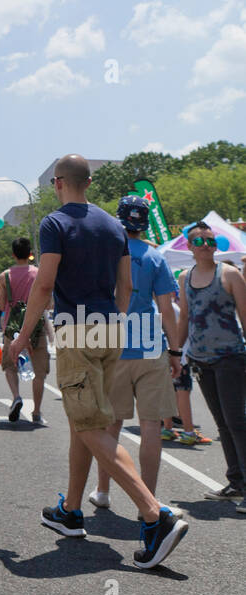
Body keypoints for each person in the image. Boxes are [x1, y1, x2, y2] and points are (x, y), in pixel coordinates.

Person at [8, 154, 188, 570]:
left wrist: (21, 336)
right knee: (82, 419)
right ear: (87, 183)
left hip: (76, 328)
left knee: (89, 423)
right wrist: (115, 320)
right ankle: (71, 510)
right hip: (112, 328)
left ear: (58, 183)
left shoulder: (54, 223)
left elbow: (46, 283)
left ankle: (153, 513)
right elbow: (124, 286)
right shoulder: (112, 225)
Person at [89, 195, 183, 514]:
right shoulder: (156, 258)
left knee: (110, 426)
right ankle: (149, 500)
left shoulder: (107, 254)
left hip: (114, 345)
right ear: (144, 224)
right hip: (149, 344)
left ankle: (103, 491)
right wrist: (176, 350)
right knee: (151, 425)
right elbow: (167, 311)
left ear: (118, 220)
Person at [175, 221, 246, 513]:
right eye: (201, 241)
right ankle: (236, 482)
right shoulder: (184, 277)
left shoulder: (230, 274)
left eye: (211, 240)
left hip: (231, 358)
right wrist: (175, 353)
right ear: (190, 247)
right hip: (201, 360)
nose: (207, 245)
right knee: (222, 423)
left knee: (238, 423)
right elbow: (184, 319)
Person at [0, 237, 51, 425]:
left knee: (10, 367)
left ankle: (16, 396)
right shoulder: (39, 273)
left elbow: (2, 304)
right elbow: (49, 303)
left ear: (13, 254)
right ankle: (36, 412)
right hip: (36, 325)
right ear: (30, 254)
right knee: (40, 372)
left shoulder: (4, 276)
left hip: (11, 327)